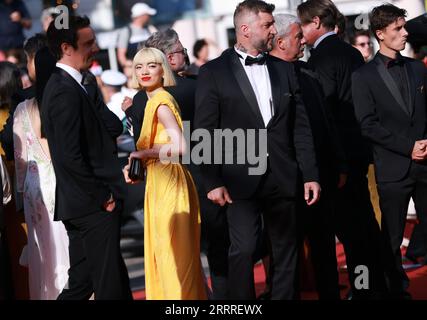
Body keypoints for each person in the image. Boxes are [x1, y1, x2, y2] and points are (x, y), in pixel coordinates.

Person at [195, 0, 320, 300]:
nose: (273, 30)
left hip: (283, 173)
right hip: (239, 177)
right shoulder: (213, 72)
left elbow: (299, 127)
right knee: (244, 249)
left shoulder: (284, 69)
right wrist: (211, 182)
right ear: (245, 29)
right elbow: (203, 131)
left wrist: (310, 174)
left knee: (287, 251)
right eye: (267, 24)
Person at [125, 28, 230, 299]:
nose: (184, 55)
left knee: (170, 252)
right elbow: (214, 134)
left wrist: (142, 153)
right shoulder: (194, 88)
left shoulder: (142, 100)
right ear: (169, 59)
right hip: (200, 177)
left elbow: (140, 140)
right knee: (212, 252)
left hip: (165, 182)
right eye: (181, 51)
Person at [297, 0, 386, 299]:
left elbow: (322, 108)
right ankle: (375, 286)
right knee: (364, 227)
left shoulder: (321, 59)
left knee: (350, 233)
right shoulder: (351, 53)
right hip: (359, 150)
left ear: (316, 24)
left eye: (303, 26)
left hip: (339, 159)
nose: (300, 32)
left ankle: (362, 290)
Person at [41, 16, 132, 300]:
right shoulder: (62, 90)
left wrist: (92, 92)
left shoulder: (77, 85)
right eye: (88, 43)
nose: (95, 48)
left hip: (82, 204)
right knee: (110, 284)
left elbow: (111, 127)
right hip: (92, 205)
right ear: (67, 47)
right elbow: (70, 156)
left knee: (83, 283)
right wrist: (102, 196)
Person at [352, 3, 427, 299]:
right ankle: (397, 291)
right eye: (397, 29)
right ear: (380, 34)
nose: (405, 33)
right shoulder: (363, 76)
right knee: (392, 238)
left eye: (404, 27)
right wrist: (409, 148)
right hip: (393, 170)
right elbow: (367, 125)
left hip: (425, 165)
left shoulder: (417, 69)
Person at [270, 13, 345, 300]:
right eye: (298, 37)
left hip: (320, 176)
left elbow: (327, 124)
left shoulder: (309, 74)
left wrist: (338, 163)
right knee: (284, 254)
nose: (304, 42)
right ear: (280, 41)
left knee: (324, 247)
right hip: (283, 180)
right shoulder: (264, 76)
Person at [14, 44, 70, 300]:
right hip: (62, 180)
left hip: (35, 185)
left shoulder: (23, 109)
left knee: (43, 251)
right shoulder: (64, 99)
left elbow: (21, 160)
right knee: (66, 245)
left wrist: (18, 193)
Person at [117, 2, 157, 67]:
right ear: (142, 16)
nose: (149, 17)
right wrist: (134, 66)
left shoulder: (148, 29)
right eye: (148, 15)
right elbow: (122, 58)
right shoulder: (126, 31)